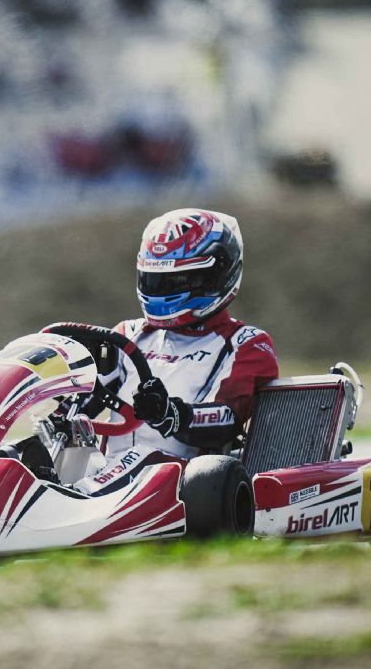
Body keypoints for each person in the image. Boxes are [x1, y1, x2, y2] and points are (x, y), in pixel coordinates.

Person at [58, 209, 279, 493]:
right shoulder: (129, 335)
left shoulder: (246, 344)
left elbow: (227, 418)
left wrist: (171, 413)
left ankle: (78, 500)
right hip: (108, 473)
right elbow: (90, 399)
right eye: (156, 280)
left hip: (187, 484)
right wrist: (69, 406)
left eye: (177, 281)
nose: (163, 291)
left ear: (216, 276)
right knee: (22, 456)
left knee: (140, 457)